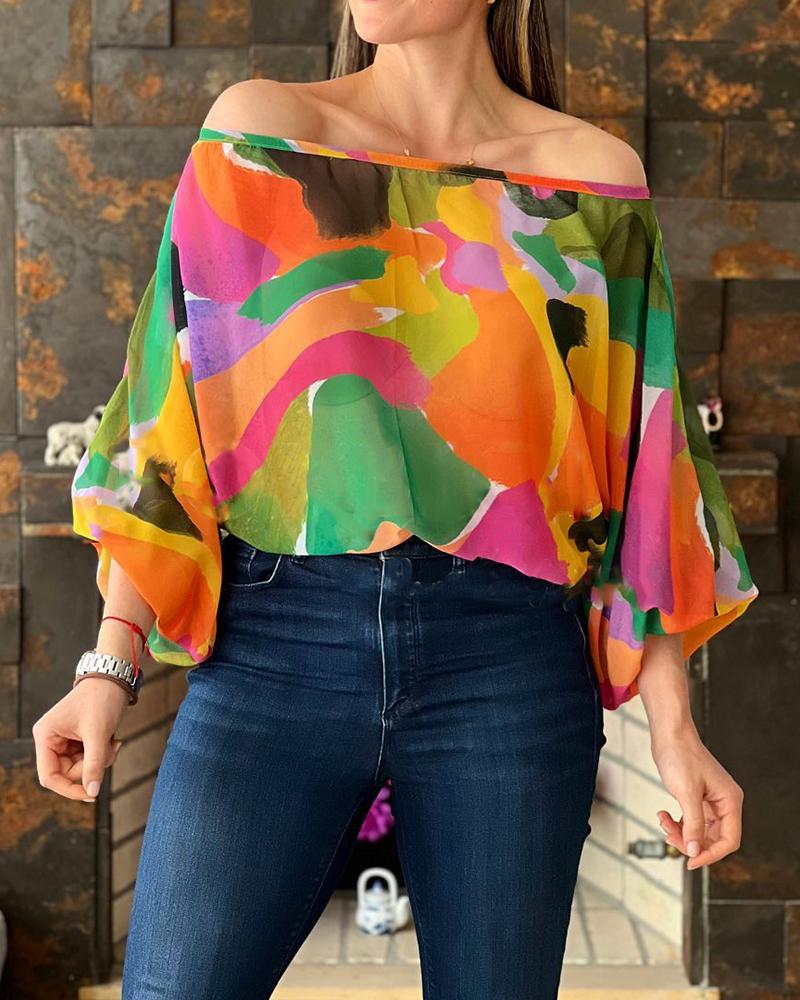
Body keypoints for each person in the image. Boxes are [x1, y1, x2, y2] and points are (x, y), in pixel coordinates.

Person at [32, 1, 759, 997]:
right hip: (274, 647)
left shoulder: (592, 180)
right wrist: (109, 664)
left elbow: (648, 472)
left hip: (507, 662)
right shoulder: (257, 131)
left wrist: (674, 729)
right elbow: (170, 420)